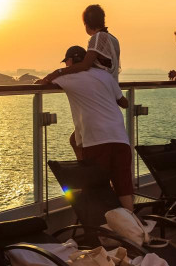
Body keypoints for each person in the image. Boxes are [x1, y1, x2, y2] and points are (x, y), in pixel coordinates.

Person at [50, 45, 133, 211]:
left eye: (67, 62)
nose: (66, 66)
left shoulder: (69, 77)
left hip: (96, 139)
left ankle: (99, 227)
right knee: (123, 185)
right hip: (120, 136)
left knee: (94, 186)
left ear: (71, 61)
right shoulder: (105, 75)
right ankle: (133, 228)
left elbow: (45, 81)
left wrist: (59, 73)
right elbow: (124, 102)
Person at [39, 4, 120, 83]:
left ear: (87, 23)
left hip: (103, 88)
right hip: (112, 87)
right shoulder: (113, 39)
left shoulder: (98, 37)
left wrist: (57, 72)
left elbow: (85, 65)